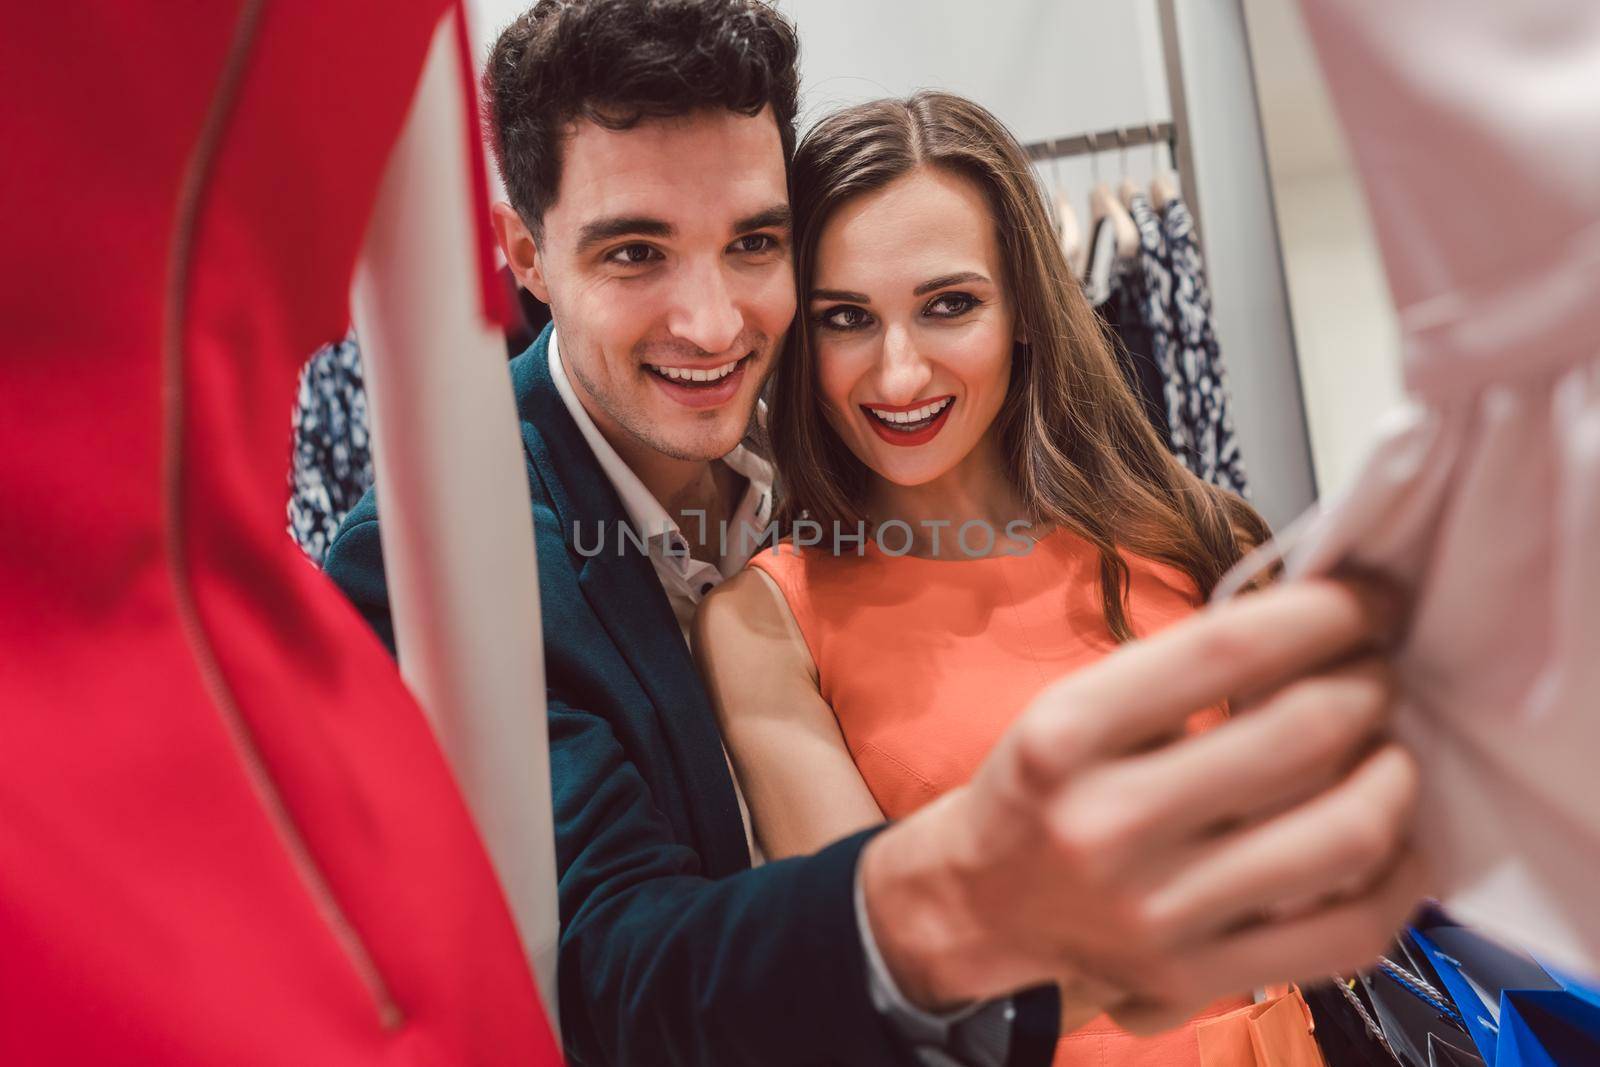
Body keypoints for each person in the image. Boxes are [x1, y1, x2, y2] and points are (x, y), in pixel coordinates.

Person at [325, 2, 1426, 1064]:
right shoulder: (434, 560)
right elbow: (609, 969)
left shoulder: (828, 452)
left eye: (755, 242)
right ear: (523, 252)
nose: (712, 323)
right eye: (633, 254)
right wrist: (952, 901)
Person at [690, 89, 1334, 1064]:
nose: (898, 374)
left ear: (1024, 310)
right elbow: (892, 963)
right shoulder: (766, 619)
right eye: (847, 318)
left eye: (949, 305)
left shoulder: (1197, 536)